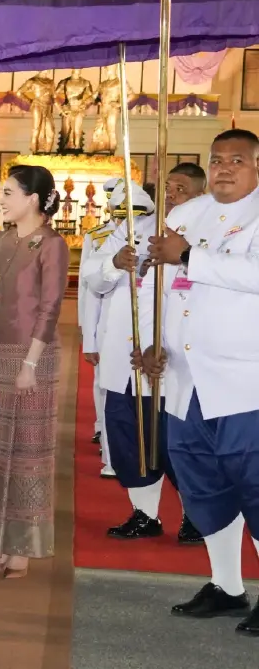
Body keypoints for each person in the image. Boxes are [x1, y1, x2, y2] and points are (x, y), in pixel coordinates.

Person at [140, 129, 259, 632]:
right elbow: (157, 281)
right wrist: (153, 341)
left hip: (243, 380)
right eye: (216, 160)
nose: (224, 168)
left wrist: (189, 256)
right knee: (203, 486)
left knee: (254, 483)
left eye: (237, 160)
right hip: (185, 380)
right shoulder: (188, 214)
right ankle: (227, 586)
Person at [87, 168, 204, 544]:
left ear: (201, 193)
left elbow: (192, 302)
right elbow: (93, 279)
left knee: (174, 445)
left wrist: (164, 343)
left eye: (182, 189)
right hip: (123, 356)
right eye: (168, 187)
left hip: (170, 362)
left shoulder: (205, 236)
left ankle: (195, 516)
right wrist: (113, 263)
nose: (172, 194)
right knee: (127, 439)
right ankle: (145, 513)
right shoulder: (133, 229)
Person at [0, 165, 68, 579]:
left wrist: (30, 364)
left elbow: (49, 309)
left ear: (33, 199)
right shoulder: (4, 240)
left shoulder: (52, 244)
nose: (1, 199)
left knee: (29, 452)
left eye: (9, 192)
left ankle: (23, 550)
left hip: (34, 357)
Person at [79, 178, 123, 479]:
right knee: (103, 384)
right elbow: (89, 287)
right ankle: (102, 432)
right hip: (106, 323)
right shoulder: (98, 237)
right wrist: (87, 330)